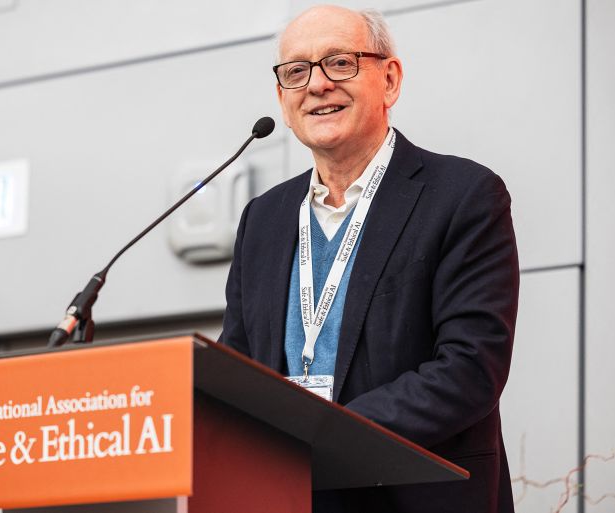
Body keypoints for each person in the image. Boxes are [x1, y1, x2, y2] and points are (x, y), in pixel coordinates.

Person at [220, 5, 519, 513]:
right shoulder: (263, 219)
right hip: (287, 497)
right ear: (283, 98)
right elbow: (238, 367)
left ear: (390, 78)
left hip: (415, 497)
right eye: (297, 72)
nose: (316, 85)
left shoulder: (463, 195)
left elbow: (470, 369)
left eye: (339, 62)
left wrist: (325, 437)